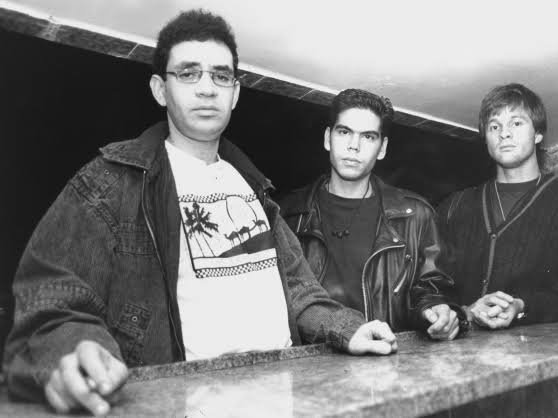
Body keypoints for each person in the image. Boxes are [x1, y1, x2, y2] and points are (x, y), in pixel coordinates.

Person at [3, 10, 398, 415]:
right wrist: (72, 350)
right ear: (160, 89)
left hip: (285, 402)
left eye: (221, 76)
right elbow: (53, 304)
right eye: (189, 73)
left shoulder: (254, 188)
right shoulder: (110, 183)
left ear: (235, 93)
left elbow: (298, 290)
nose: (207, 89)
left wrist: (348, 329)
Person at [279, 89, 465, 340]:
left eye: (367, 136)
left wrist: (435, 309)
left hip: (389, 354)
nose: (353, 146)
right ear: (327, 138)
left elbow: (432, 288)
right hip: (312, 359)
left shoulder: (416, 215)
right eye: (344, 132)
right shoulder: (287, 215)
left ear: (382, 148)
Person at [437, 83, 558, 330]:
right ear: (486, 139)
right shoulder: (454, 206)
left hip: (541, 349)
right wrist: (465, 312)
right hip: (459, 349)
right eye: (494, 126)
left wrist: (521, 307)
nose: (504, 133)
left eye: (516, 123)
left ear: (538, 134)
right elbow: (433, 289)